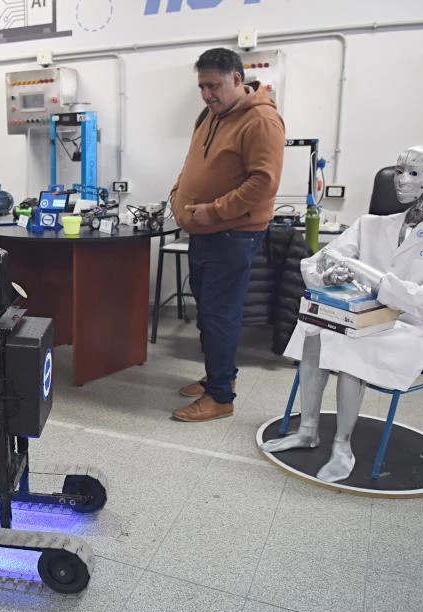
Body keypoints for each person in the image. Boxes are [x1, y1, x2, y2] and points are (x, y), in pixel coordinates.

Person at [262, 147, 423, 482]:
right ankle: (307, 430)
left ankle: (342, 445)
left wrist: (375, 280)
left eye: (413, 173)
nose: (401, 180)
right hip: (361, 315)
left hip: (410, 328)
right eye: (399, 170)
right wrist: (327, 274)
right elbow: (316, 262)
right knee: (314, 329)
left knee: (354, 342)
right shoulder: (371, 225)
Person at [169, 47, 285, 423]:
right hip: (205, 233)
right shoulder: (209, 115)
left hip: (232, 235)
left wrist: (212, 211)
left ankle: (220, 397)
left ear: (237, 79)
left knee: (220, 315)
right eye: (202, 86)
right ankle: (219, 377)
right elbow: (193, 165)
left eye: (214, 85)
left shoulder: (261, 121)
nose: (207, 94)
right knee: (209, 313)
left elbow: (263, 184)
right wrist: (177, 195)